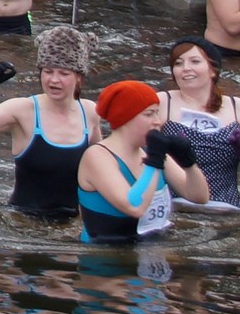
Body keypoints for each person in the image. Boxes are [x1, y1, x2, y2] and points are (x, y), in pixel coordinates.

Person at [0, 24, 98, 223]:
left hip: (70, 223)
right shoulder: (22, 110)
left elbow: (101, 165)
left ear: (78, 77)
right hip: (22, 222)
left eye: (64, 73)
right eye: (48, 71)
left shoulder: (90, 112)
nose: (54, 80)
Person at [76, 79, 209, 246]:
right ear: (125, 118)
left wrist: (189, 163)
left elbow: (199, 197)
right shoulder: (97, 156)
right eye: (149, 114)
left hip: (151, 248)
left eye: (157, 113)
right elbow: (135, 207)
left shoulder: (151, 152)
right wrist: (154, 162)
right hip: (107, 253)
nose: (157, 121)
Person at [156, 36, 240, 212]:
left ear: (212, 70)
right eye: (178, 63)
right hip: (176, 207)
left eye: (195, 61)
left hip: (226, 209)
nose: (186, 68)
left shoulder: (236, 107)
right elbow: (141, 150)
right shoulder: (163, 102)